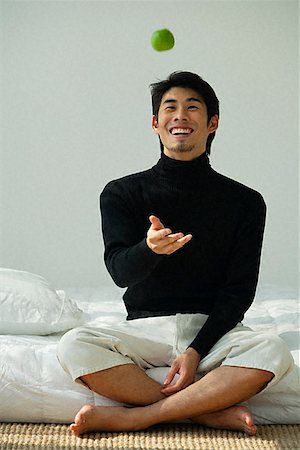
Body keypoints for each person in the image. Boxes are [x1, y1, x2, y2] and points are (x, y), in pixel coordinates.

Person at [57, 71, 293, 436]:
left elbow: (239, 292)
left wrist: (196, 350)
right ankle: (202, 413)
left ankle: (138, 417)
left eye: (192, 107)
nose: (180, 115)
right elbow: (121, 273)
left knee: (273, 350)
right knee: (75, 345)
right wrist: (148, 250)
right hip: (145, 329)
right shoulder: (121, 193)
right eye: (170, 107)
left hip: (213, 331)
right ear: (156, 123)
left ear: (212, 123)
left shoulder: (245, 202)